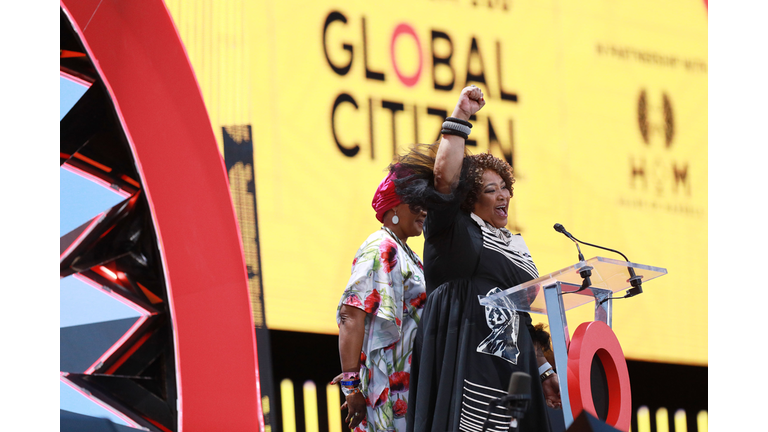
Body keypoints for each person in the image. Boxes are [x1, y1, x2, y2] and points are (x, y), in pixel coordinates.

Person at [390, 86, 562, 432]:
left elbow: (523, 318)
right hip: (463, 351)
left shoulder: (516, 245)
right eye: (491, 189)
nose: (504, 195)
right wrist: (461, 115)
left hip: (514, 368)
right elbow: (444, 176)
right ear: (469, 198)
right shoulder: (453, 226)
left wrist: (544, 370)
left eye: (505, 186)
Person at [334, 168, 429, 431]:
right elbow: (351, 314)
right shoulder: (380, 247)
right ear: (394, 205)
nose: (424, 211)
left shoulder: (406, 251)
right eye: (418, 204)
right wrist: (351, 387)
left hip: (411, 381)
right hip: (390, 383)